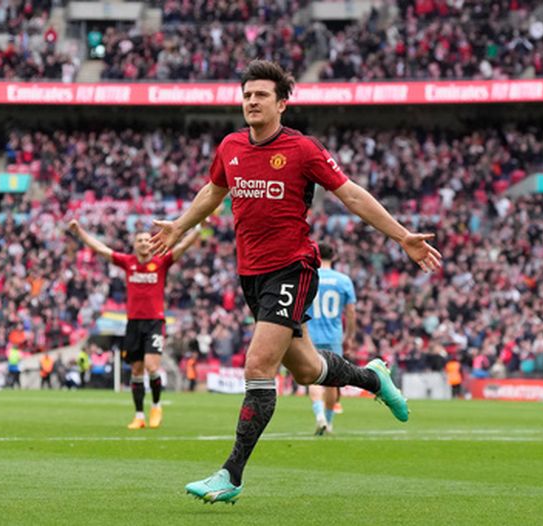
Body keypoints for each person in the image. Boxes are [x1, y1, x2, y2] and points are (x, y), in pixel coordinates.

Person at [150, 60, 441, 503]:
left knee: (258, 367)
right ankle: (374, 379)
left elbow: (351, 194)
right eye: (246, 94)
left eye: (261, 95)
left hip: (293, 267)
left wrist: (402, 236)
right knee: (307, 369)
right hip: (251, 274)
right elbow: (213, 191)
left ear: (282, 103)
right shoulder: (230, 146)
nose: (251, 101)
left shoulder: (303, 149)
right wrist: (179, 226)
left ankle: (231, 475)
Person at [68, 219, 203, 429]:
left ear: (152, 244)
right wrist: (79, 232)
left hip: (155, 322)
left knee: (151, 366)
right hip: (133, 323)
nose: (144, 243)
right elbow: (100, 248)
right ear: (134, 244)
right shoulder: (128, 262)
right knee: (136, 371)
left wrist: (199, 227)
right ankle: (139, 416)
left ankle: (156, 406)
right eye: (140, 240)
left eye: (147, 240)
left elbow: (183, 246)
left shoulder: (161, 263)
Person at [304, 243, 356, 436]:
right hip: (334, 336)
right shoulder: (343, 281)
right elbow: (351, 313)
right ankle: (329, 421)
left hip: (310, 334)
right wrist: (349, 336)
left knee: (314, 378)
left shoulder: (309, 277)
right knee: (333, 380)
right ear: (333, 256)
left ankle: (319, 416)